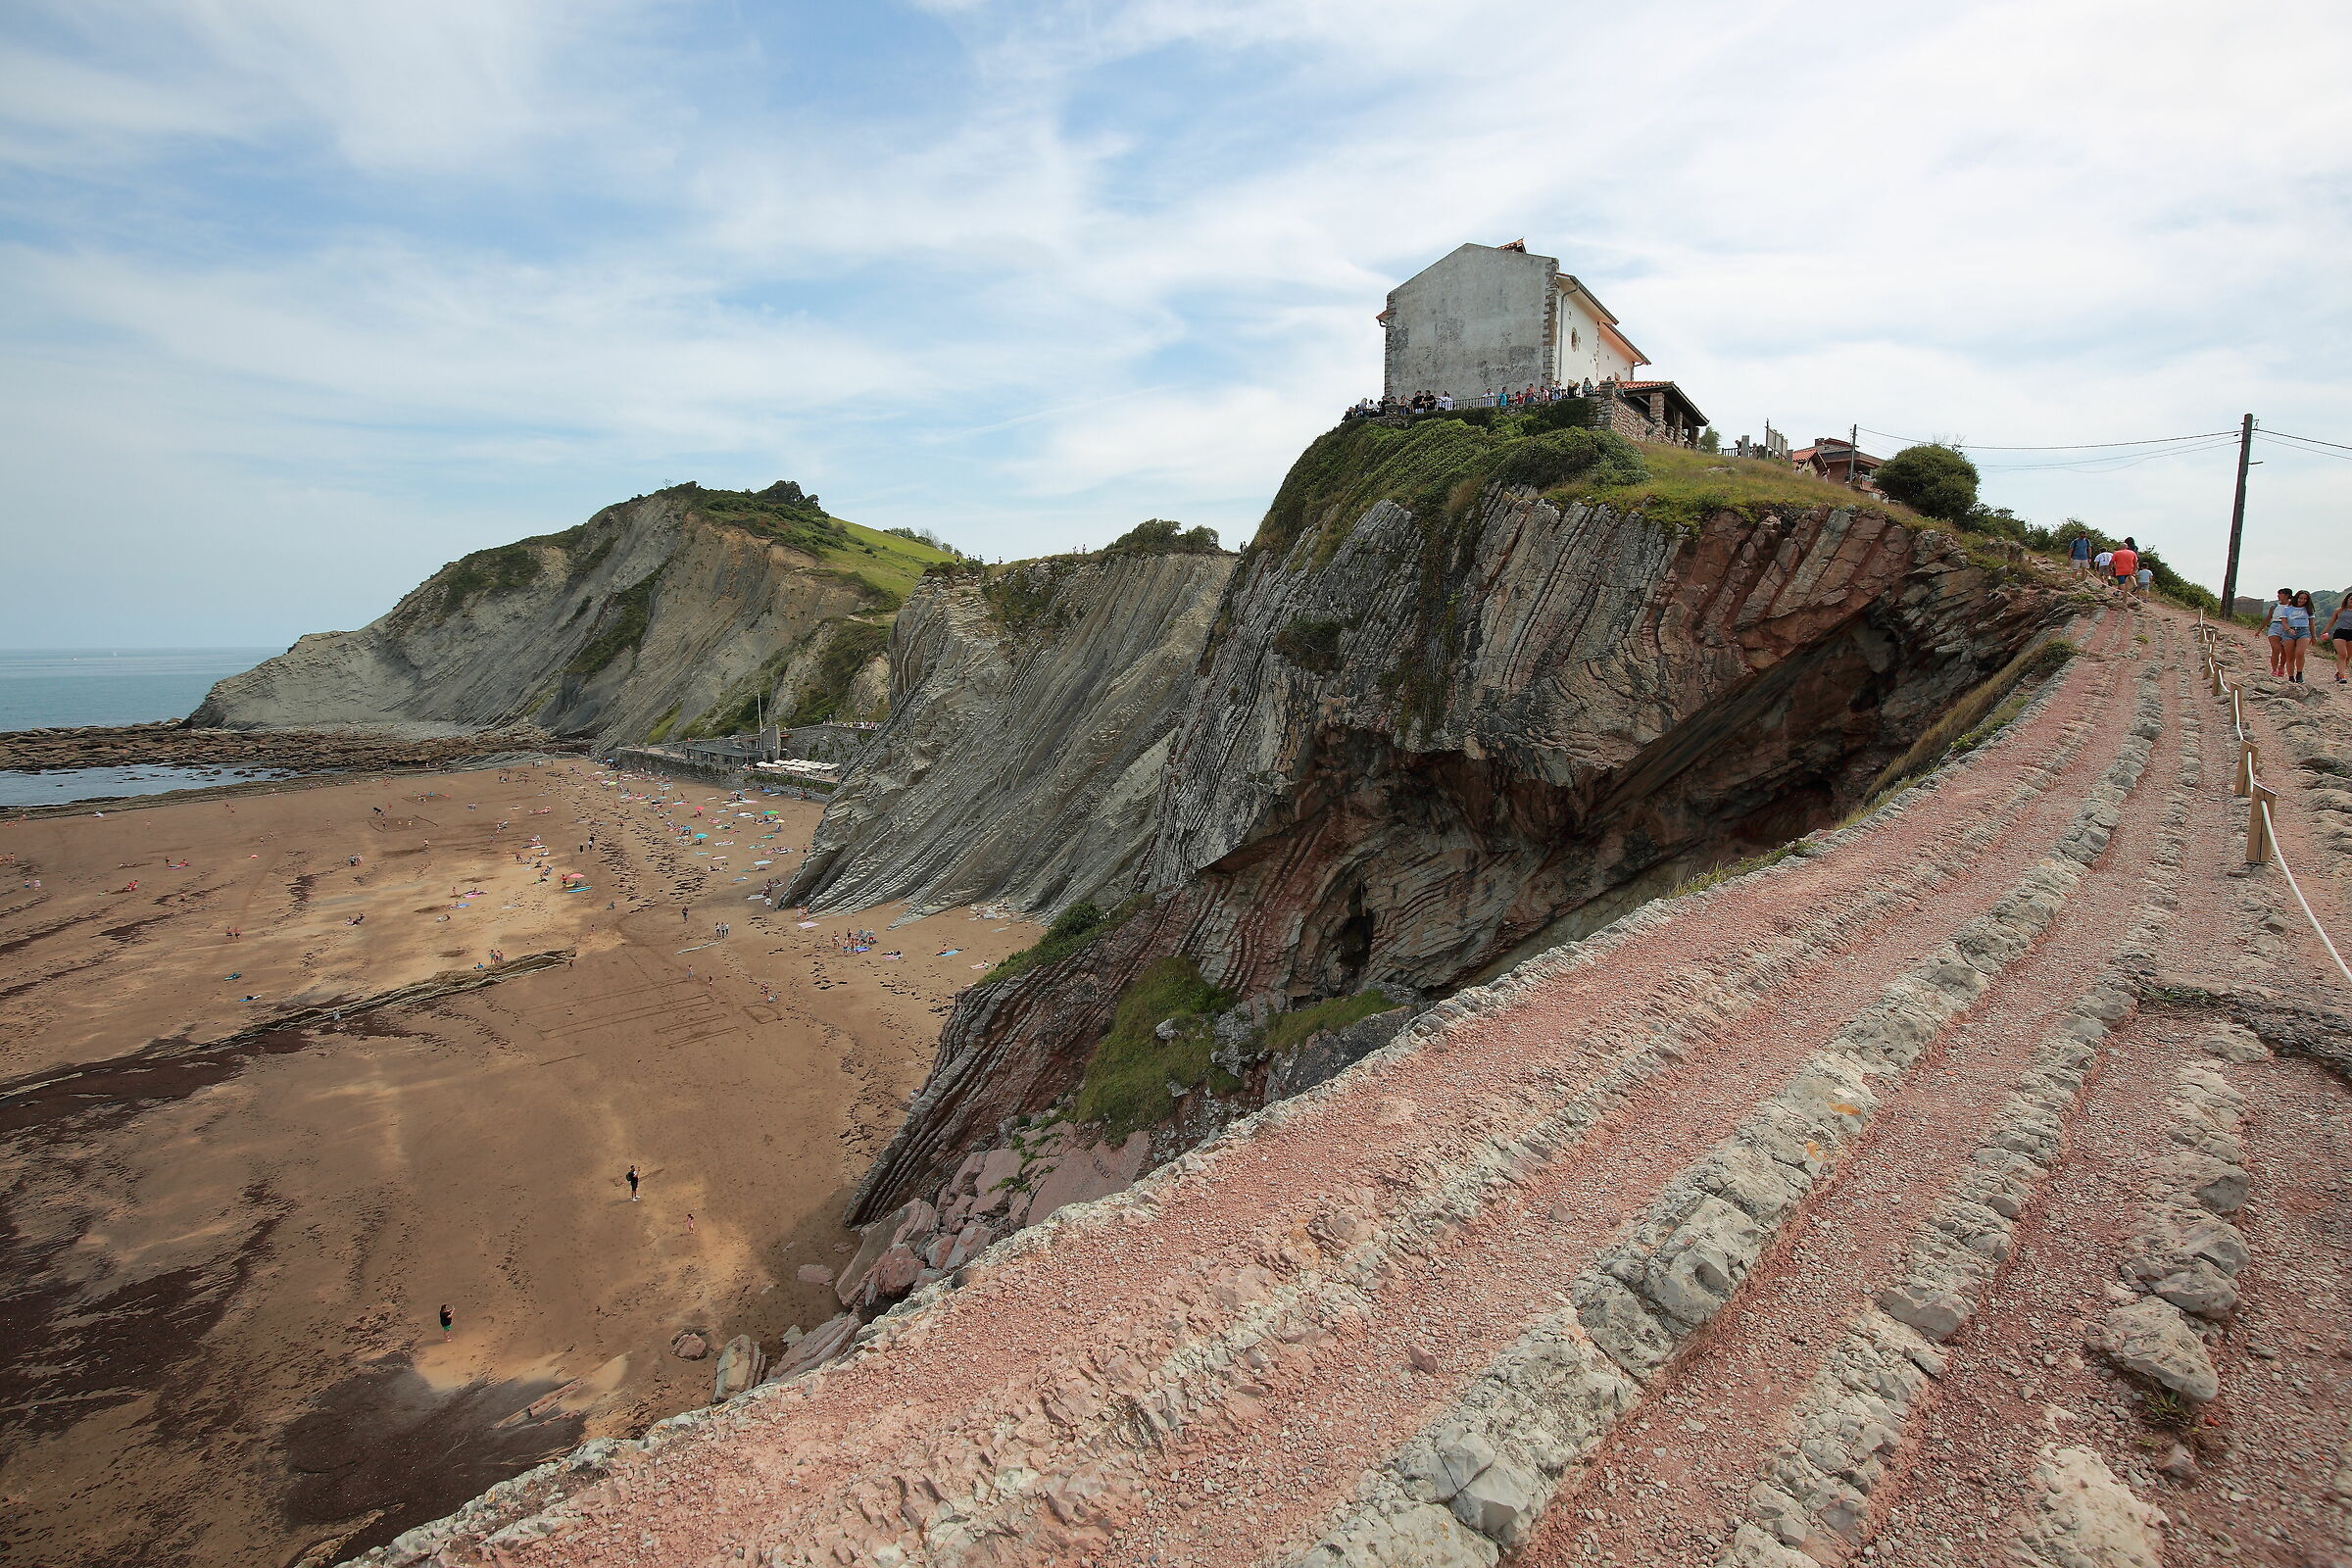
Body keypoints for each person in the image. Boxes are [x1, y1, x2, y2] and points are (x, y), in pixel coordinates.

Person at [2284, 591, 2316, 684]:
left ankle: (2299, 673)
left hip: (2304, 632)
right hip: (2289, 632)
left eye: (2305, 599)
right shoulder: (2287, 609)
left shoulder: (2308, 610)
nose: (2302, 600)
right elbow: (2284, 622)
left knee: (2300, 653)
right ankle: (2290, 677)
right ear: (2297, 598)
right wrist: (2289, 629)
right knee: (2290, 656)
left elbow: (2311, 624)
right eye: (2301, 598)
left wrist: (2313, 636)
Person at [2266, 589, 2296, 677]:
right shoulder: (2274, 607)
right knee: (2275, 649)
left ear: (2287, 595)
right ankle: (2274, 669)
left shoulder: (2292, 607)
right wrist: (2260, 630)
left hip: (2287, 626)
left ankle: (2281, 666)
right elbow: (2268, 618)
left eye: (2280, 594)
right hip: (2275, 626)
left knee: (2285, 651)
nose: (2278, 596)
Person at [2326, 597, 2352, 684]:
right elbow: (2332, 622)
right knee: (2343, 654)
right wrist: (2324, 631)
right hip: (2340, 633)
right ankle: (2342, 676)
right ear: (2347, 599)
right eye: (2351, 598)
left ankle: (2339, 673)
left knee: (2347, 657)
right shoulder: (2339, 610)